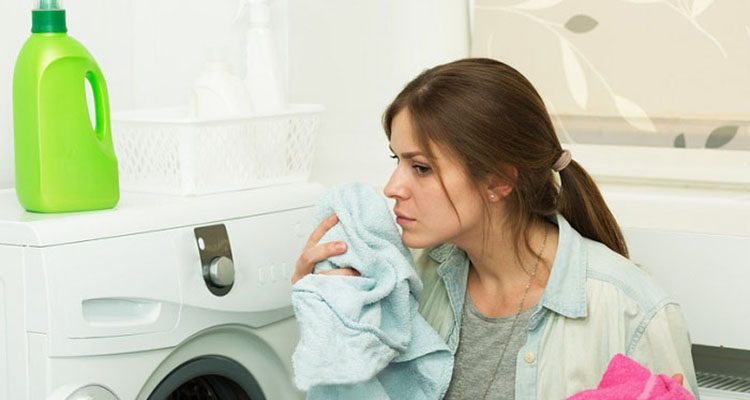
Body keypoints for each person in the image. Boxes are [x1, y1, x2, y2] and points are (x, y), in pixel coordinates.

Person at [291, 58, 698, 399]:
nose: (393, 188)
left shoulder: (631, 311)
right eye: (396, 160)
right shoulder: (400, 282)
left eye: (421, 168)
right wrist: (326, 314)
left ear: (498, 181)